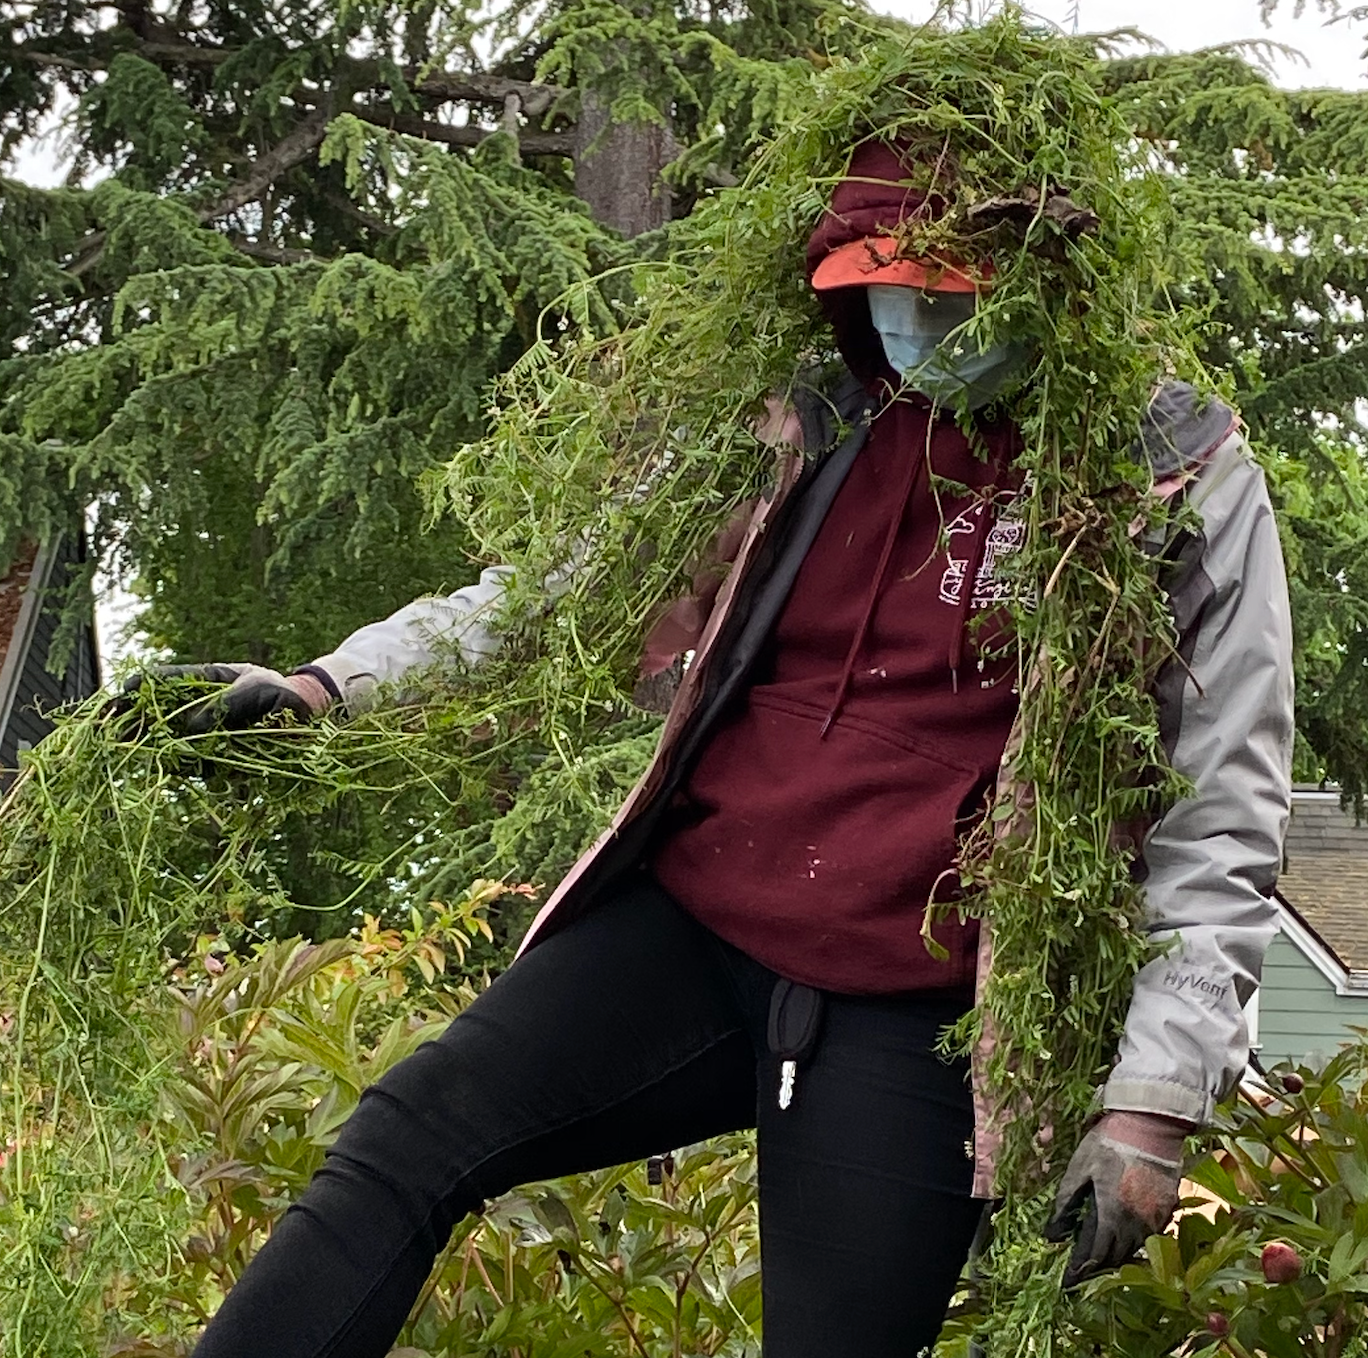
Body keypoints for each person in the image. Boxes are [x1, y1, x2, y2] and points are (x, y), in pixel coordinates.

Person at [166, 138, 1294, 1357]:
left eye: (952, 297)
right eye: (887, 291)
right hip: (693, 932)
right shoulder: (799, 416)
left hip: (921, 1008)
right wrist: (328, 686)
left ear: (1046, 289)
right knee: (405, 1140)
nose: (916, 320)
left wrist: (1151, 1104)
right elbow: (555, 591)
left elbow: (1222, 809)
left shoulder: (1169, 475)